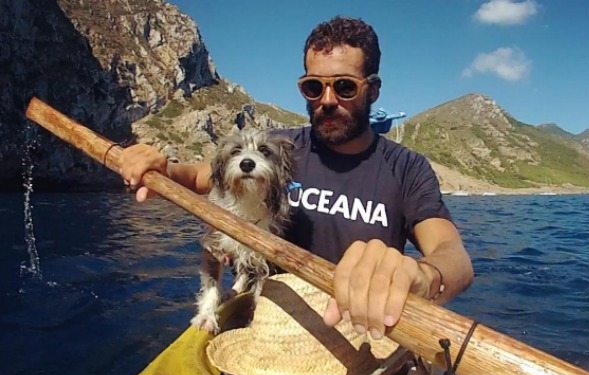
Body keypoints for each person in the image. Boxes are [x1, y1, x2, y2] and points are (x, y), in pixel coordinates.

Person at [120, 16, 473, 341]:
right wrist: (163, 168)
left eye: (345, 87)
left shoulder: (406, 168)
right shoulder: (281, 150)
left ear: (373, 90)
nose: (328, 100)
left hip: (361, 335)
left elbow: (453, 255)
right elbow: (200, 175)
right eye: (313, 87)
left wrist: (424, 277)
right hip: (273, 329)